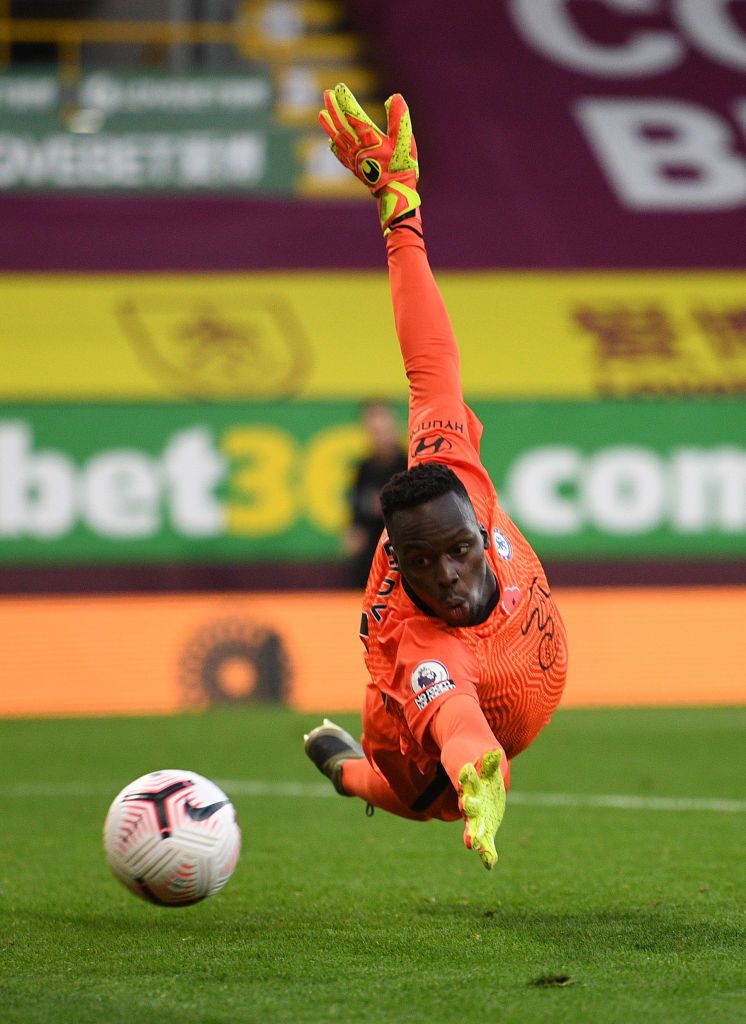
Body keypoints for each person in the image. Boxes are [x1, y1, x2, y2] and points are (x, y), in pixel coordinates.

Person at [304, 84, 568, 870]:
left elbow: (430, 363)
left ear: (475, 520)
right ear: (401, 560)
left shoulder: (452, 473)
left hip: (517, 657)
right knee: (413, 798)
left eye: (458, 548)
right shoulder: (416, 638)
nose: (449, 575)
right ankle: (343, 768)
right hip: (413, 745)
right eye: (422, 562)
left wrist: (401, 212)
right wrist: (478, 771)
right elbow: (454, 713)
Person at [344, 400, 408, 588]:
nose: (378, 433)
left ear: (394, 426)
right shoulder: (363, 468)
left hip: (403, 547)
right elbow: (356, 513)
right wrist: (354, 531)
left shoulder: (408, 464)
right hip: (371, 553)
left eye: (383, 427)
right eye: (373, 429)